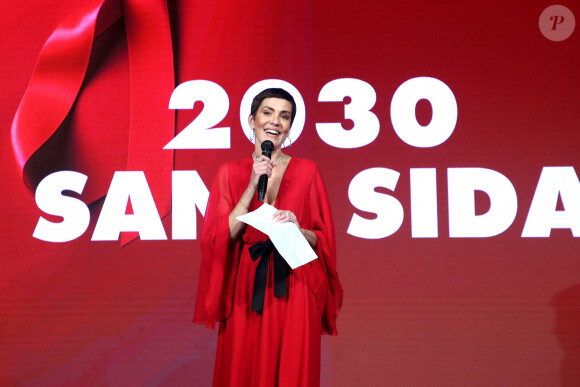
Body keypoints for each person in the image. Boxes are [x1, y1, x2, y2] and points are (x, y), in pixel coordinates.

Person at [194, 88, 342, 387]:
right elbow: (220, 237)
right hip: (247, 286)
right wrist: (251, 186)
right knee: (243, 368)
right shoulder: (228, 172)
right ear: (252, 119)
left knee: (292, 370)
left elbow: (323, 238)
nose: (275, 121)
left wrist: (297, 228)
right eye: (268, 112)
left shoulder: (308, 170)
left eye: (284, 116)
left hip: (296, 281)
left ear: (289, 127)